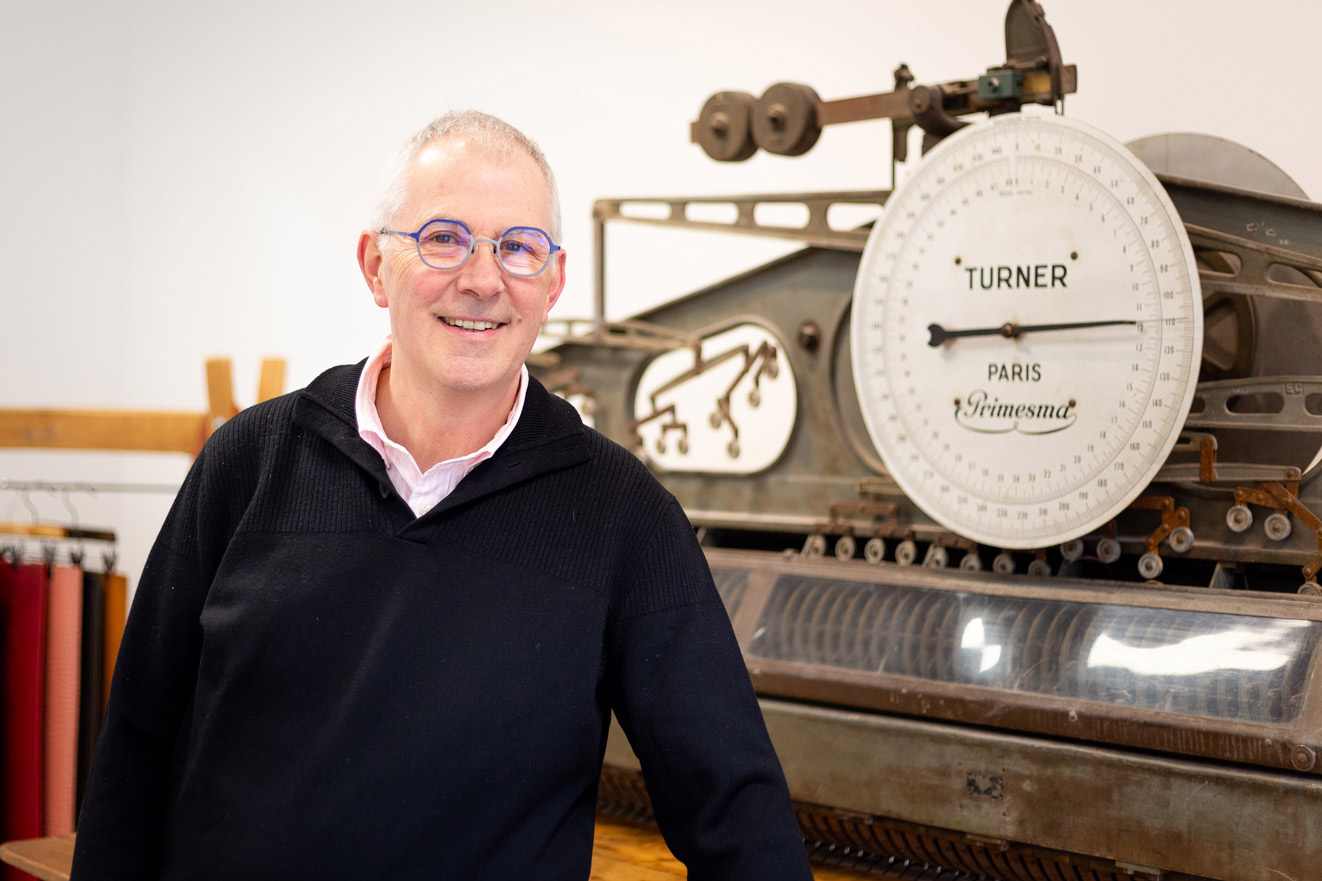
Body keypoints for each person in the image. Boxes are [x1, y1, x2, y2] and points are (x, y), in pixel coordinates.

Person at [71, 111, 813, 881]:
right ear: (374, 265)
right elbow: (134, 750)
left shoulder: (624, 517)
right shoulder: (247, 465)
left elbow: (741, 820)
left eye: (518, 248)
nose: (484, 279)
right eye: (444, 237)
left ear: (552, 282)